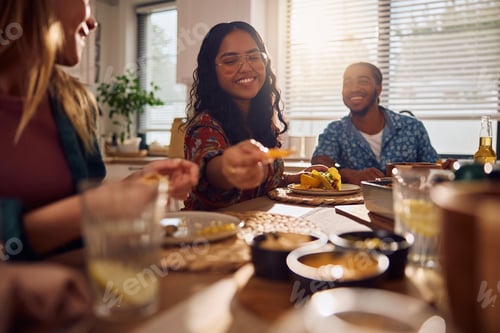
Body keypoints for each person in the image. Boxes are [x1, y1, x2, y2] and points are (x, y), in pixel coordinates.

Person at [0, 0, 199, 261]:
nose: (93, 23)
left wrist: (136, 184)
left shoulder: (74, 103)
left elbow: (82, 208)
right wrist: (91, 208)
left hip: (79, 291)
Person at [183, 21, 324, 210]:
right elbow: (211, 171)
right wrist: (227, 167)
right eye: (231, 61)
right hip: (210, 233)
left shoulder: (261, 119)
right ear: (211, 71)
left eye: (254, 57)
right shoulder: (205, 125)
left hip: (253, 231)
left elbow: (259, 186)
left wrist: (296, 178)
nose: (246, 67)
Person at [311, 62, 453, 185]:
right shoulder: (335, 130)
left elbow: (435, 167)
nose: (353, 88)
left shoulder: (412, 127)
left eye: (363, 81)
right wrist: (349, 174)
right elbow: (320, 164)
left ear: (378, 88)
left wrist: (447, 169)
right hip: (352, 208)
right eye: (347, 83)